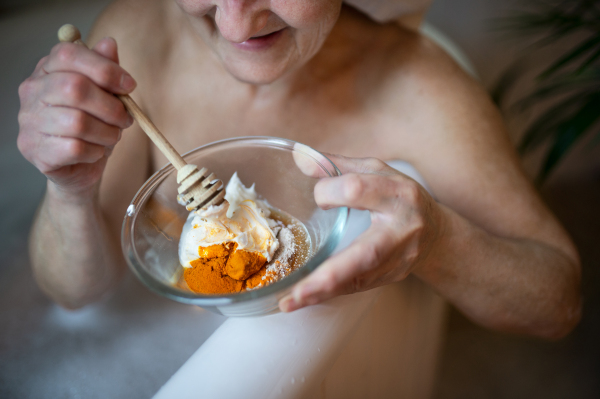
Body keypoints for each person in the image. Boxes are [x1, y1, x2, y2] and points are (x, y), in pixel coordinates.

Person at [17, 0, 581, 340]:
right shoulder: (138, 38)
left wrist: (438, 241)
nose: (236, 20)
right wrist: (71, 190)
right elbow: (74, 294)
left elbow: (558, 303)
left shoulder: (417, 89)